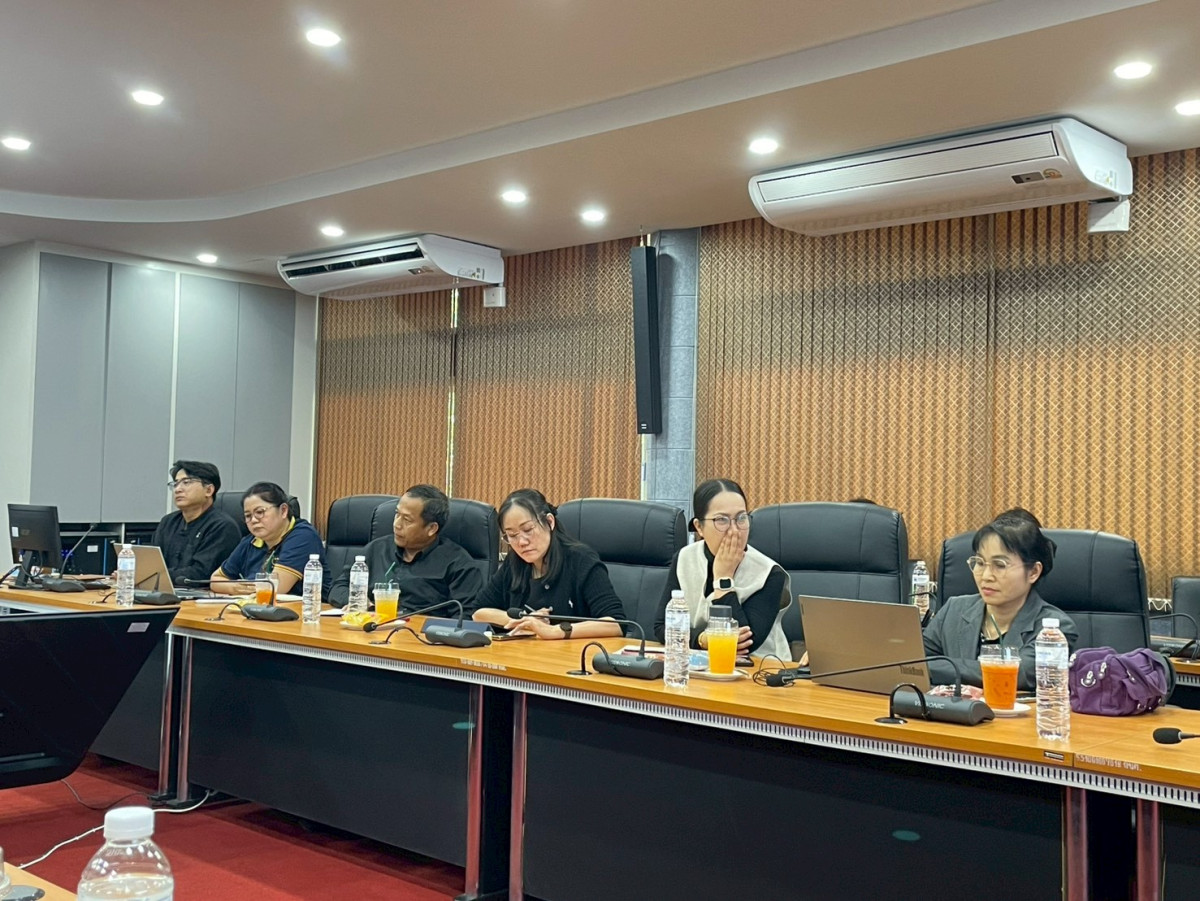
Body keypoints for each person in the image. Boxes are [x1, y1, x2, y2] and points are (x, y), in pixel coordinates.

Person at [923, 508, 1078, 691]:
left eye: (1000, 565)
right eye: (980, 563)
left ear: (1033, 572)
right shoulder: (954, 610)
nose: (986, 576)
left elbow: (1018, 674)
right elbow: (909, 662)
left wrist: (931, 667)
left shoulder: (1055, 629)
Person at [652, 478, 792, 661]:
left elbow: (743, 645)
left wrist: (723, 579)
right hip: (698, 665)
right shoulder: (685, 558)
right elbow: (662, 627)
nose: (734, 530)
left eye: (741, 518)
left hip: (759, 670)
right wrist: (702, 640)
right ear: (699, 527)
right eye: (722, 520)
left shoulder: (769, 573)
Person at [472, 489, 625, 639]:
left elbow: (616, 624)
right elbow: (478, 612)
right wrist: (526, 621)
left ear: (550, 522)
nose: (521, 542)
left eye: (528, 529)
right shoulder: (514, 562)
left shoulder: (580, 560)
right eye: (512, 535)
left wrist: (554, 631)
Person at [328, 485, 484, 612]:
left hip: (419, 637)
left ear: (431, 528)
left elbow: (465, 616)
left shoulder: (458, 564)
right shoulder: (376, 549)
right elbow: (338, 587)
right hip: (371, 631)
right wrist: (362, 603)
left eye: (407, 520)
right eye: (397, 514)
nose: (396, 524)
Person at [211, 482, 329, 596]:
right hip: (257, 606)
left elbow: (275, 587)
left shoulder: (303, 536)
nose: (253, 520)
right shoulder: (250, 541)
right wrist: (236, 588)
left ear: (283, 510)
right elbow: (215, 580)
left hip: (305, 608)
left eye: (259, 512)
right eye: (248, 516)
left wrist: (239, 587)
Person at [150, 460, 241, 586]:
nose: (178, 489)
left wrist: (154, 576)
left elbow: (200, 574)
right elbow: (152, 563)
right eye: (175, 484)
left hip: (201, 594)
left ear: (208, 490)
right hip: (163, 590)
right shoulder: (168, 522)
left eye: (186, 482)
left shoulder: (222, 526)